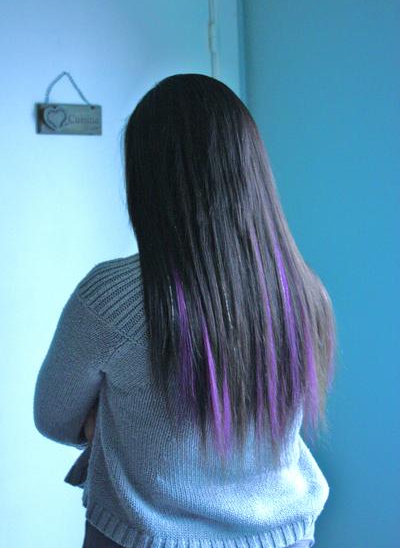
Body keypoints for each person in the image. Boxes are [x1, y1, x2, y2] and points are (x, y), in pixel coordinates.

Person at [33, 73, 337, 548]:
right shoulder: (303, 290)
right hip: (284, 537)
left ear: (147, 180)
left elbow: (53, 418)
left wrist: (117, 422)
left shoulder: (111, 298)